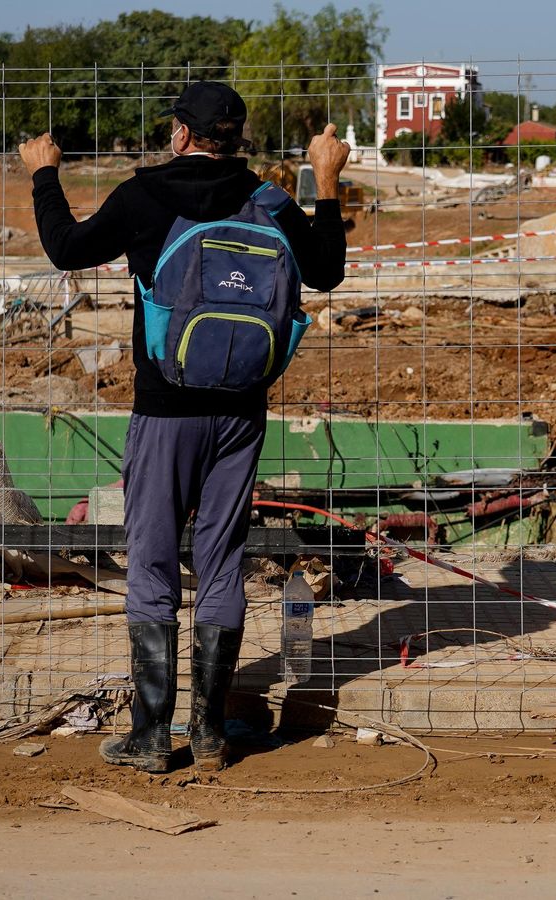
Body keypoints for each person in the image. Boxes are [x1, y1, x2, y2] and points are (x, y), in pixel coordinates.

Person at [20, 81, 349, 773]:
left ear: (181, 134)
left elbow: (66, 248)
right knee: (222, 558)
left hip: (165, 410)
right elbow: (326, 272)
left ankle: (149, 734)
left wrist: (44, 174)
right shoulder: (269, 200)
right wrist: (326, 179)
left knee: (152, 558)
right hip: (242, 412)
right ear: (236, 137)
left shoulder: (146, 195)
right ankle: (208, 732)